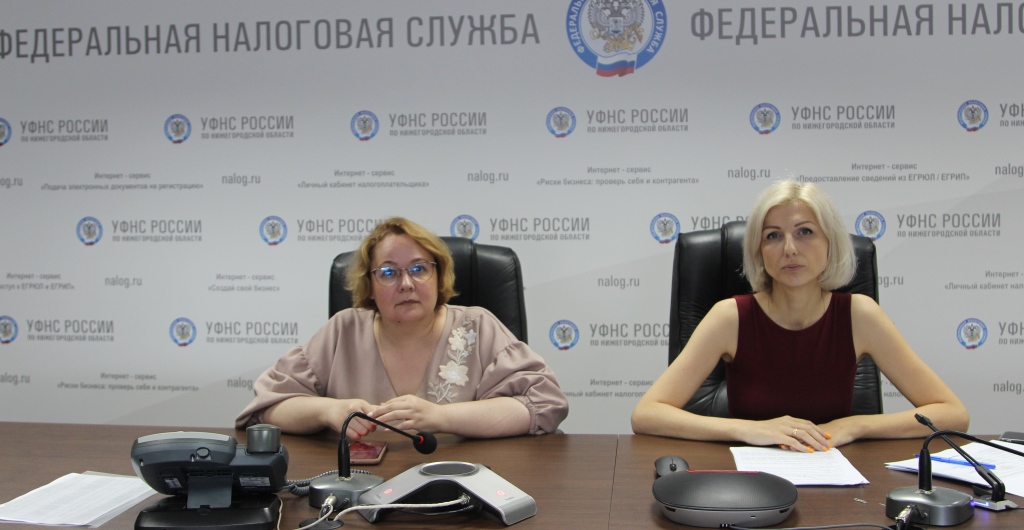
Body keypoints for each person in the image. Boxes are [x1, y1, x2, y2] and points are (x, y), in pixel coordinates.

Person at [631, 180, 968, 452]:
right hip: (750, 480)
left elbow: (952, 413)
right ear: (760, 252)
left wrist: (856, 425)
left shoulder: (859, 315)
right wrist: (748, 430)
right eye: (773, 236)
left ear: (830, 242)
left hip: (833, 476)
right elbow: (646, 414)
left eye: (805, 232)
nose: (789, 249)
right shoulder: (730, 317)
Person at [237, 217, 568, 439]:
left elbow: (544, 404)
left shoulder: (477, 326)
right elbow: (268, 407)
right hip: (359, 493)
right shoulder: (343, 331)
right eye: (388, 273)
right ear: (369, 287)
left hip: (461, 486)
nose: (407, 284)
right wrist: (328, 410)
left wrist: (440, 418)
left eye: (419, 269)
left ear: (439, 277)